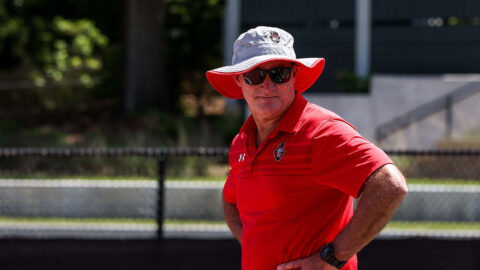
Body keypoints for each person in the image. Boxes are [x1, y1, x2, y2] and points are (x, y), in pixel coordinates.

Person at [205, 26, 408, 270]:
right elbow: (231, 203)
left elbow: (390, 185)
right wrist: (255, 248)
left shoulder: (321, 130)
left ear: (293, 76)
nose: (267, 86)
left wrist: (332, 258)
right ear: (239, 80)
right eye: (255, 75)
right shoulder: (242, 141)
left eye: (279, 74)